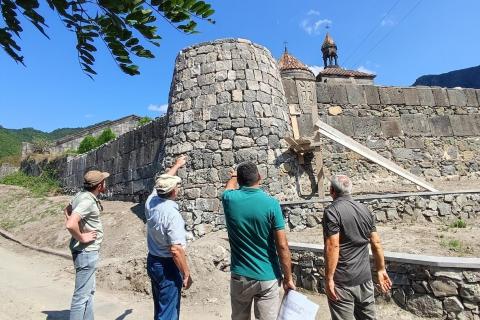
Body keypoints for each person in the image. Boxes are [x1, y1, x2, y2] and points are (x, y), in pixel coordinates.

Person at [222, 161, 296, 320]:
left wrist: (234, 176)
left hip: (240, 275)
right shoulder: (272, 204)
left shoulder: (229, 199)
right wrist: (288, 278)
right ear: (260, 178)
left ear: (239, 181)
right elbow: (282, 246)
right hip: (267, 276)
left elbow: (228, 187)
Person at [323, 175, 392, 320]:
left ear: (331, 190)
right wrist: (381, 269)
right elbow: (376, 242)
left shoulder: (332, 212)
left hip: (342, 282)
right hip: (365, 279)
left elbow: (333, 245)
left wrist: (329, 278)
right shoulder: (364, 209)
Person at [145, 155, 193, 320]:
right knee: (168, 313)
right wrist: (186, 273)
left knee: (160, 307)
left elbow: (160, 183)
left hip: (153, 260)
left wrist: (176, 165)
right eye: (177, 186)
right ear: (173, 191)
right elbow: (176, 249)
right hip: (167, 266)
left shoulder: (151, 202)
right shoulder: (172, 215)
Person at [65, 169, 110, 320]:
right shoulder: (87, 201)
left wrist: (80, 228)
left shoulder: (80, 195)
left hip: (85, 252)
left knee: (88, 292)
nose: (105, 182)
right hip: (86, 252)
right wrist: (82, 236)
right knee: (81, 297)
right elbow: (71, 224)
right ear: (99, 185)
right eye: (104, 180)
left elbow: (67, 210)